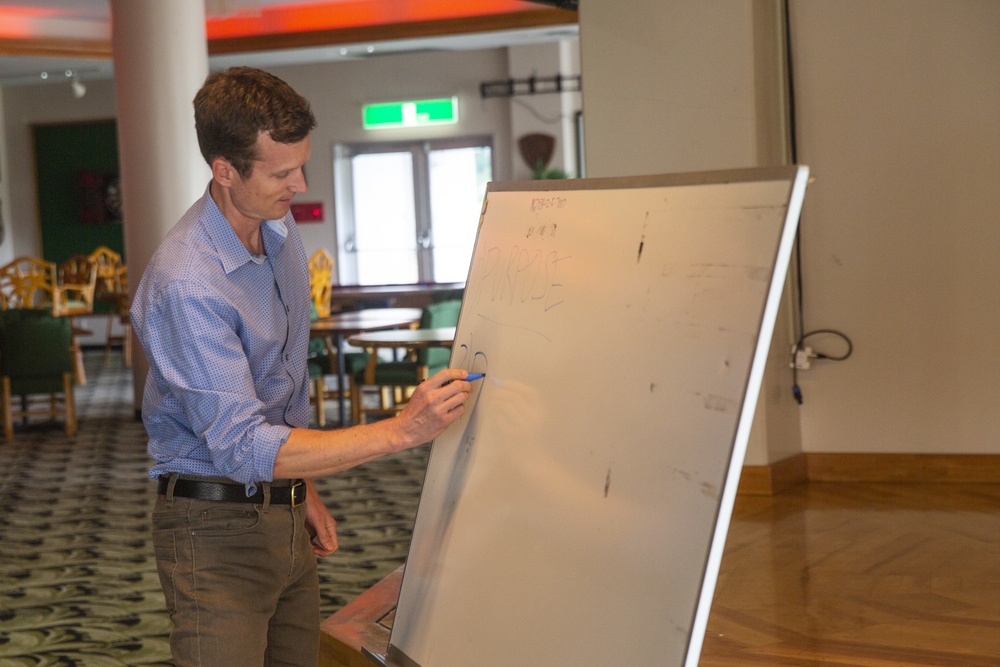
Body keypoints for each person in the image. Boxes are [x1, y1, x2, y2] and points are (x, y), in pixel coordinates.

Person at [130, 67, 472, 666]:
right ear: (225, 170)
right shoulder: (186, 283)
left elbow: (278, 385)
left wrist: (301, 489)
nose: (301, 184)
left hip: (281, 508)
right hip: (213, 530)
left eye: (302, 164)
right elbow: (242, 445)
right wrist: (402, 430)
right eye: (282, 172)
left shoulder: (278, 230)